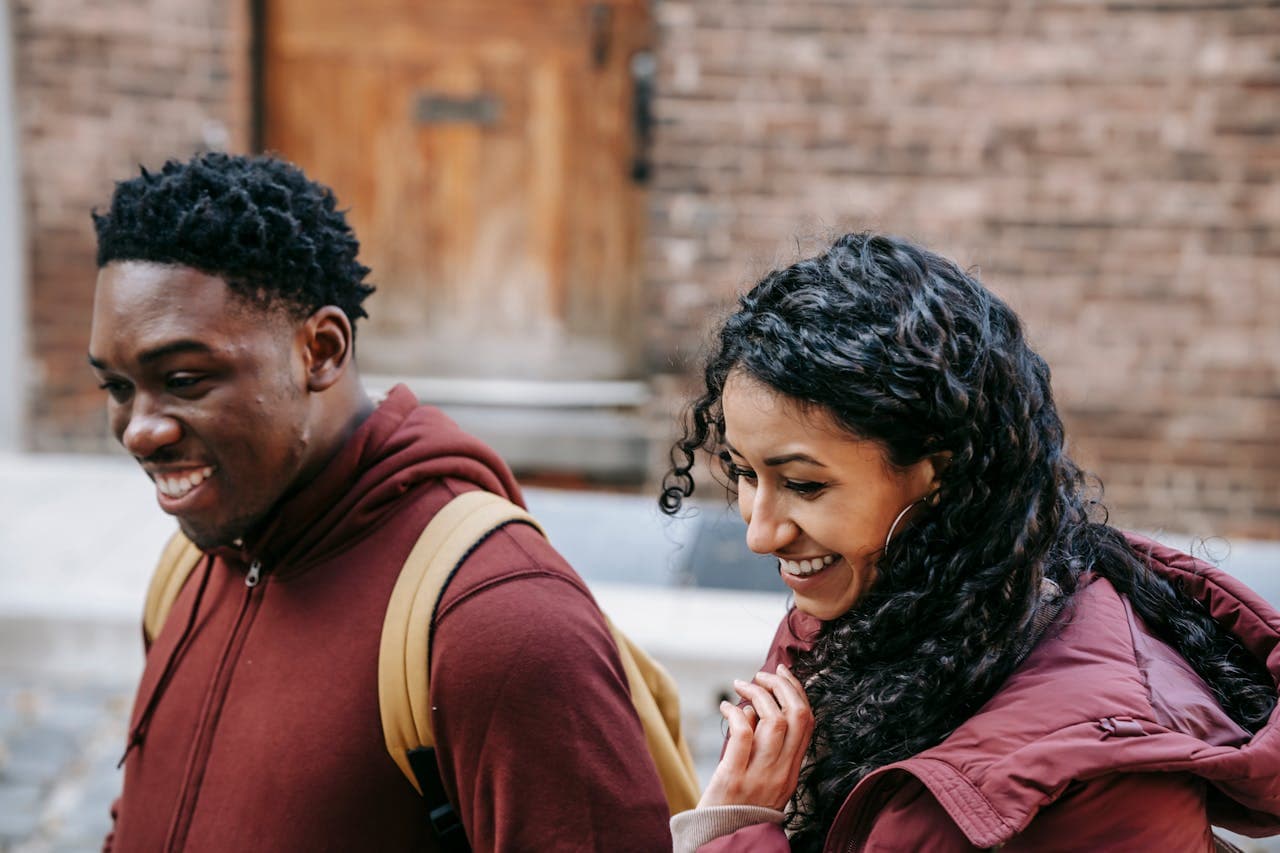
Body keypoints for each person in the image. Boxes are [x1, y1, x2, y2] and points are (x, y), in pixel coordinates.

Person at [88, 152, 672, 851]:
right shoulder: (190, 564)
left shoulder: (503, 623)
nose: (140, 429)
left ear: (321, 350)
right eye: (118, 387)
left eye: (183, 379)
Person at [661, 232, 1280, 851]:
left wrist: (732, 832)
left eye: (802, 483)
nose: (760, 533)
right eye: (745, 473)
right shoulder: (863, 611)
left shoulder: (1097, 769)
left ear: (939, 472)